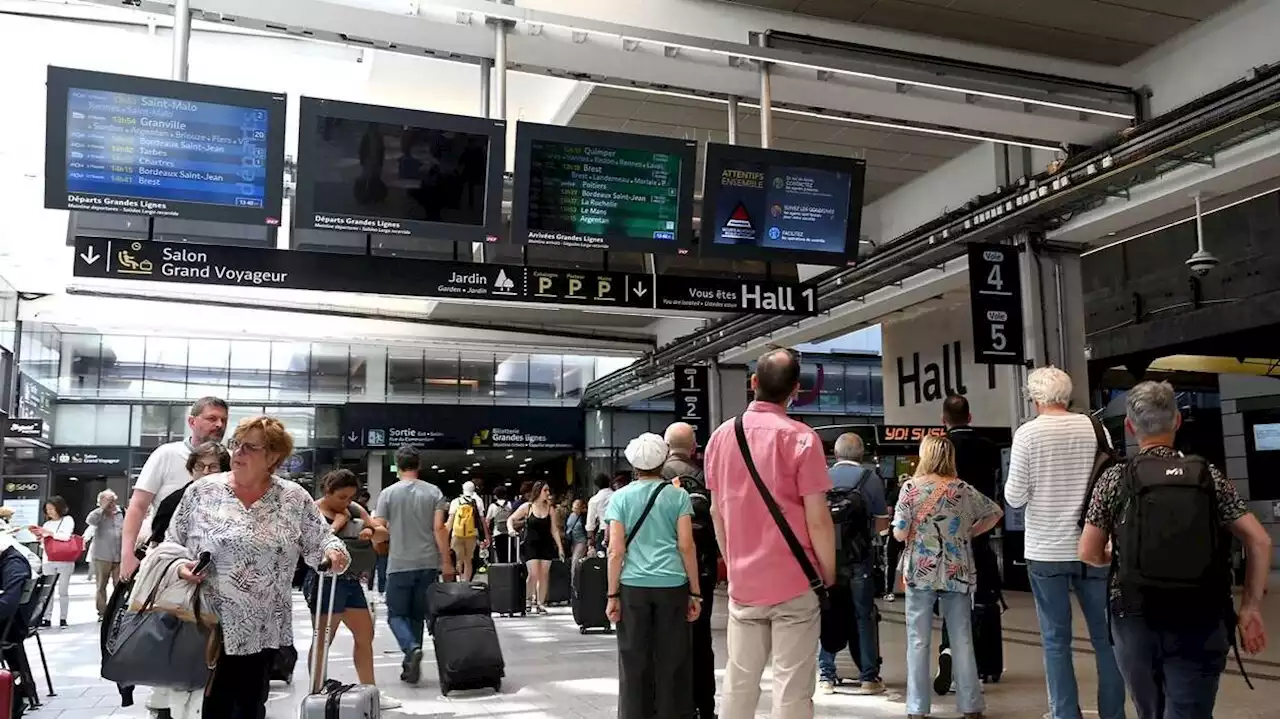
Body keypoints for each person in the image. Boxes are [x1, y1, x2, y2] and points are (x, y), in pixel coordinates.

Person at [1079, 381, 1272, 718]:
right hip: (1202, 614)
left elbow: (1088, 552)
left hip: (1136, 617)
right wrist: (1250, 608)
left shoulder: (1115, 479)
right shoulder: (1208, 476)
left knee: (1150, 711)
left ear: (1129, 425)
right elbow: (1259, 540)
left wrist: (1114, 554)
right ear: (1177, 421)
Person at [167, 415, 348, 719]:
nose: (237, 453)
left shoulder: (293, 497)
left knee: (251, 705)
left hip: (263, 625)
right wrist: (180, 568)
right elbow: (171, 545)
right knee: (214, 706)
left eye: (250, 447)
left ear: (273, 456)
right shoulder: (202, 492)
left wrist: (334, 551)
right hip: (208, 620)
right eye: (236, 444)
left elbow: (321, 541)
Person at [704, 348, 836, 719]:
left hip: (745, 586)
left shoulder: (721, 437)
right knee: (792, 688)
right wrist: (825, 575)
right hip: (795, 582)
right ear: (795, 390)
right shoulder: (803, 439)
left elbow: (717, 511)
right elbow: (818, 520)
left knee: (740, 682)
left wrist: (733, 563)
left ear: (753, 383)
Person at [1004, 367, 1126, 719]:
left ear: (1036, 397)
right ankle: (1113, 714)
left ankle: (1064, 714)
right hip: (1095, 546)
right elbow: (1110, 480)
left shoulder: (1028, 434)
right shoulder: (1095, 427)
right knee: (1106, 639)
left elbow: (1014, 497)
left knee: (1056, 641)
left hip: (1045, 551)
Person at [893, 435, 1003, 719]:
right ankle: (971, 706)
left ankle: (917, 708)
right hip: (958, 571)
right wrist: (968, 532)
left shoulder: (910, 489)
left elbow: (900, 532)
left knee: (918, 640)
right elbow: (994, 512)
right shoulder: (963, 489)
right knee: (961, 638)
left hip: (921, 571)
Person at [605, 433, 701, 719]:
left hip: (633, 587)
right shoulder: (678, 496)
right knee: (673, 660)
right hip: (673, 586)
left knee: (633, 660)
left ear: (634, 464)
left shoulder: (620, 498)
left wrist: (612, 594)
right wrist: (694, 591)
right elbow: (686, 545)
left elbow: (615, 551)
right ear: (663, 461)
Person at [305, 469, 399, 711]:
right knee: (323, 639)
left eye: (350, 497)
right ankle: (316, 693)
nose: (346, 502)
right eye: (341, 497)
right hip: (326, 581)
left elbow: (382, 534)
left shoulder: (355, 509)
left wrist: (369, 531)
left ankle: (371, 691)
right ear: (328, 492)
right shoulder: (313, 510)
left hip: (351, 581)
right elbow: (310, 545)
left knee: (365, 635)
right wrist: (336, 525)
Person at [935, 394, 1004, 695]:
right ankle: (985, 663)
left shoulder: (941, 450)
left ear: (943, 419)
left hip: (947, 539)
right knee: (983, 599)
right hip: (980, 533)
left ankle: (951, 654)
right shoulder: (988, 448)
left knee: (953, 600)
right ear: (970, 417)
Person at [120, 396, 228, 580]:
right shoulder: (167, 454)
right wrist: (127, 555)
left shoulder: (231, 460)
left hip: (215, 565)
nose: (219, 424)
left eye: (223, 420)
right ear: (192, 421)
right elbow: (138, 506)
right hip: (167, 560)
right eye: (212, 418)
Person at [373, 445, 453, 685]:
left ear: (397, 466)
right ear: (419, 465)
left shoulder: (387, 494)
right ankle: (411, 665)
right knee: (417, 615)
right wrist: (446, 562)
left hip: (399, 563)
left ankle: (411, 647)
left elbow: (380, 529)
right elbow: (439, 528)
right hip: (427, 563)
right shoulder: (434, 492)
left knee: (396, 615)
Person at [817, 432, 889, 696]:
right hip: (860, 560)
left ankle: (826, 675)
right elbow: (882, 526)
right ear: (862, 455)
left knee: (828, 612)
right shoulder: (871, 479)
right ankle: (869, 677)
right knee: (864, 616)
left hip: (827, 561)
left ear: (835, 455)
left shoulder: (822, 477)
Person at [662, 421, 719, 719]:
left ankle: (674, 704)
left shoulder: (654, 476)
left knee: (667, 639)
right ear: (694, 446)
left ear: (665, 445)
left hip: (664, 572)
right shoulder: (705, 476)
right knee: (701, 640)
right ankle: (705, 707)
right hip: (702, 570)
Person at [508, 481, 565, 614]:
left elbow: (554, 530)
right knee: (533, 574)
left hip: (546, 544)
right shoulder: (528, 507)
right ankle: (528, 600)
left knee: (544, 575)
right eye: (545, 490)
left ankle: (541, 602)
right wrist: (511, 530)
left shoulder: (550, 508)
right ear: (538, 491)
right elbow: (511, 519)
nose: (548, 493)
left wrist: (560, 548)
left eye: (548, 490)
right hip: (531, 544)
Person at [29, 496, 75, 628]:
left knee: (63, 590)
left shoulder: (67, 520)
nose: (49, 512)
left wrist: (49, 533)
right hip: (48, 559)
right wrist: (40, 536)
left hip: (64, 560)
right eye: (47, 509)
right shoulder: (47, 524)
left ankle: (63, 618)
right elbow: (45, 544)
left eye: (51, 508)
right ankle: (46, 617)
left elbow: (65, 537)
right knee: (47, 590)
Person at [86, 489, 124, 620]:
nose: (111, 503)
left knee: (119, 585)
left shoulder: (122, 512)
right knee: (101, 585)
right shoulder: (98, 514)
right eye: (107, 501)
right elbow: (90, 521)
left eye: (112, 500)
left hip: (119, 556)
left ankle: (118, 610)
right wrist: (102, 508)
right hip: (102, 556)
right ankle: (102, 612)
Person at [448, 481, 490, 582]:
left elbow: (450, 521)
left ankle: (459, 580)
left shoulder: (456, 501)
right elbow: (482, 520)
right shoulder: (478, 501)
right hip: (472, 534)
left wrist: (445, 536)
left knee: (458, 559)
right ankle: (466, 582)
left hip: (457, 534)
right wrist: (486, 536)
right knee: (468, 560)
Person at [485, 486, 514, 564]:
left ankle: (501, 570)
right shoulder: (510, 504)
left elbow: (487, 521)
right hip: (509, 533)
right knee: (510, 553)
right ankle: (510, 571)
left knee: (500, 554)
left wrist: (487, 534)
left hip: (497, 533)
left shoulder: (492, 506)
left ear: (495, 495)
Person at [586, 473, 614, 552]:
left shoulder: (594, 500)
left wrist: (590, 539)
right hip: (618, 529)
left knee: (601, 560)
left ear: (597, 485)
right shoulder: (617, 495)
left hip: (603, 530)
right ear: (609, 482)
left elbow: (590, 521)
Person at [564, 499, 589, 583]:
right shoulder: (570, 516)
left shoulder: (584, 517)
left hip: (581, 541)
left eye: (577, 507)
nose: (575, 510)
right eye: (574, 507)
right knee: (573, 562)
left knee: (575, 563)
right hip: (572, 542)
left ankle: (574, 584)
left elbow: (588, 528)